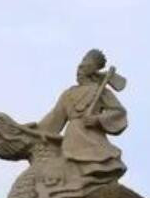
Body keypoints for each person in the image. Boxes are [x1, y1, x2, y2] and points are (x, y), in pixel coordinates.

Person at [37, 49, 127, 184]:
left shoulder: (100, 91)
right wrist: (34, 130)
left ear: (94, 69)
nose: (80, 67)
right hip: (71, 139)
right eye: (81, 63)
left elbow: (118, 112)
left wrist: (97, 119)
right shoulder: (68, 93)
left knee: (97, 170)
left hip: (92, 140)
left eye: (85, 62)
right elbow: (54, 118)